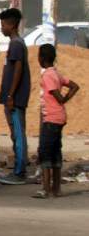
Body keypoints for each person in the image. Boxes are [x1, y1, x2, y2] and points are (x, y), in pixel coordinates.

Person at [34, 44, 79, 198]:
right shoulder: (56, 73)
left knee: (46, 153)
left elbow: (57, 96)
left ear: (42, 58)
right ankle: (57, 189)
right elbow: (74, 86)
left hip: (51, 118)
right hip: (59, 118)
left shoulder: (47, 75)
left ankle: (46, 189)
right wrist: (65, 99)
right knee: (55, 153)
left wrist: (63, 99)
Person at [0, 8, 31, 185]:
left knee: (18, 134)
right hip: (13, 97)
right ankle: (19, 169)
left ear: (11, 25)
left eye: (3, 25)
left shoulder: (16, 44)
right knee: (16, 134)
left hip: (15, 99)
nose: (1, 28)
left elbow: (18, 69)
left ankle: (19, 172)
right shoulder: (16, 43)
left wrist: (10, 95)